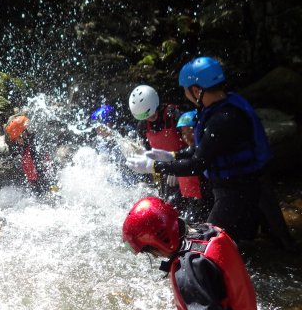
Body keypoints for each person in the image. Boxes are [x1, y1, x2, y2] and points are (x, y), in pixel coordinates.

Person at [126, 56, 296, 247]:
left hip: (237, 194)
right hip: (243, 189)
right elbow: (202, 149)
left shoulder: (222, 119)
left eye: (186, 90)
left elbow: (198, 163)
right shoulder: (224, 107)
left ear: (196, 90)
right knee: (247, 246)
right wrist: (171, 156)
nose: (186, 95)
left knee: (203, 246)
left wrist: (155, 166)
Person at [111, 196, 275, 310]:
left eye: (150, 251)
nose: (154, 256)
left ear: (158, 242)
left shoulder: (190, 266)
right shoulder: (207, 232)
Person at [129, 84, 186, 204]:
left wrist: (178, 167)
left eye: (152, 112)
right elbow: (150, 155)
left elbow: (193, 145)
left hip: (187, 167)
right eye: (146, 116)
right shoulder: (143, 127)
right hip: (166, 172)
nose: (150, 117)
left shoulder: (174, 114)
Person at [175, 110, 213, 222]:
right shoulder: (185, 152)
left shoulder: (206, 149)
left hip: (208, 198)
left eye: (190, 131)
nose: (186, 136)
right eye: (183, 133)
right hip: (194, 200)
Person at [5, 115, 55, 195]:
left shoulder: (35, 146)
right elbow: (19, 152)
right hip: (37, 183)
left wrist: (42, 184)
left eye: (17, 139)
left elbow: (41, 167)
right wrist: (11, 157)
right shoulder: (27, 145)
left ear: (23, 134)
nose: (17, 142)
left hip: (44, 183)